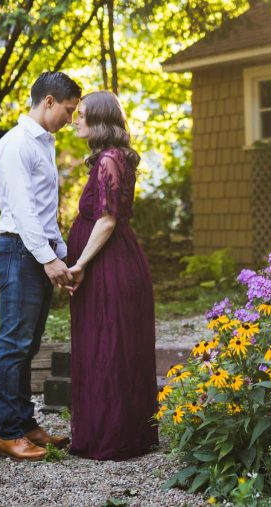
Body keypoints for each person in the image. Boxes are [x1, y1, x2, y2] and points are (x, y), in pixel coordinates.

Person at [0, 71, 82, 461]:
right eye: (68, 110)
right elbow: (25, 212)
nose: (71, 119)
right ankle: (6, 433)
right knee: (13, 344)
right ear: (47, 101)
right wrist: (47, 259)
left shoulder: (44, 144)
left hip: (35, 250)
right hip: (17, 251)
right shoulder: (16, 145)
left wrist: (60, 253)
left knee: (28, 345)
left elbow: (45, 212)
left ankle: (26, 425)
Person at [66, 90, 158, 460]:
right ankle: (115, 432)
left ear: (101, 121)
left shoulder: (108, 159)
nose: (75, 119)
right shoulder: (110, 158)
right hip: (112, 263)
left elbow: (106, 220)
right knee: (106, 345)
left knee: (109, 346)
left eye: (82, 114)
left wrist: (80, 264)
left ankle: (115, 436)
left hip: (109, 266)